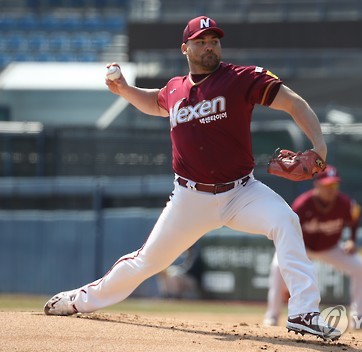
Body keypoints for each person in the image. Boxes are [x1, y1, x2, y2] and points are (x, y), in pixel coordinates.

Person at [44, 16, 340, 340]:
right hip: (190, 199)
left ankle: (304, 312)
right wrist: (125, 90)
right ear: (185, 48)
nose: (209, 46)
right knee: (145, 263)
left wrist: (319, 145)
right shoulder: (175, 89)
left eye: (214, 40)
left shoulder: (241, 78)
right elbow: (154, 101)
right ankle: (78, 301)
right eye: (201, 41)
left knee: (285, 220)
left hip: (241, 193)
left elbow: (294, 103)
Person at [263, 165, 362, 327]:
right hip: (302, 248)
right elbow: (288, 228)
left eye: (334, 185)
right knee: (277, 266)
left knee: (360, 266)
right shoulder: (303, 204)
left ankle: (360, 317)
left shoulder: (345, 204)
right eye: (327, 185)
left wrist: (352, 240)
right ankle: (272, 316)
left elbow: (355, 217)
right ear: (317, 185)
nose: (331, 189)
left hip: (330, 248)